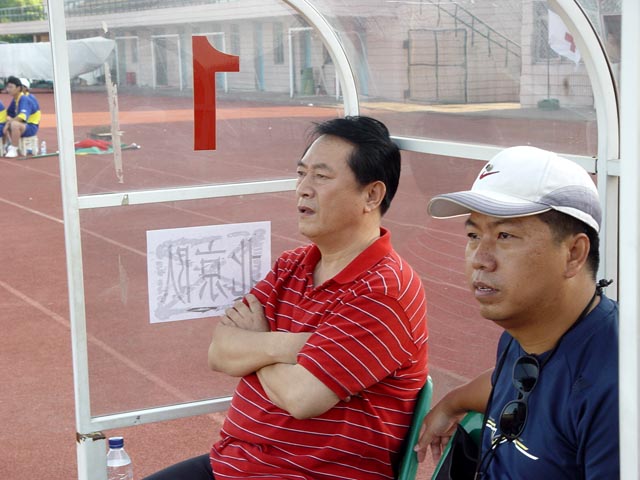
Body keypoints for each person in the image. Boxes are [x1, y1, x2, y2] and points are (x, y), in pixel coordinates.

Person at [145, 116, 429, 480]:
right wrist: (289, 346)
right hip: (234, 463)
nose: (303, 189)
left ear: (371, 195)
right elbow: (219, 352)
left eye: (321, 176)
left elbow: (302, 397)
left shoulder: (383, 290)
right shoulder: (291, 265)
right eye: (301, 173)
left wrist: (257, 343)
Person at [416, 145, 619, 479]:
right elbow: (508, 381)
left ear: (573, 253)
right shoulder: (526, 333)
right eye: (473, 235)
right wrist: (452, 403)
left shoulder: (616, 389)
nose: (479, 258)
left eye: (505, 235)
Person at [3, 76, 41, 158]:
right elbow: (9, 113)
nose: (8, 89)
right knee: (7, 121)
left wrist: (9, 123)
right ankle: (7, 144)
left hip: (31, 126)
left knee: (14, 124)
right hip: (24, 125)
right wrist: (7, 119)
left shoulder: (25, 99)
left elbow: (22, 117)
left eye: (11, 87)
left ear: (19, 88)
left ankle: (14, 149)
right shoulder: (15, 99)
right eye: (7, 87)